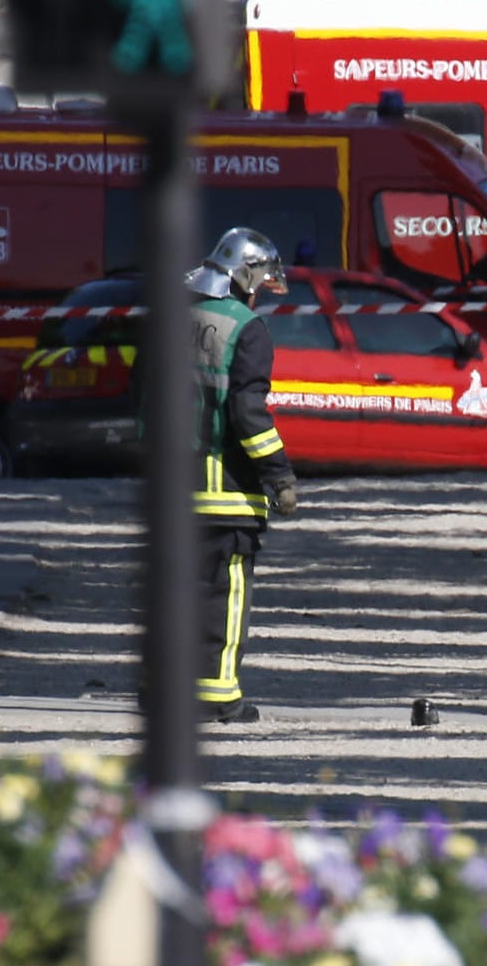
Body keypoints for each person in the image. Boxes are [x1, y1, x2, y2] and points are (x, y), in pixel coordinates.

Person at [184, 227, 299, 725]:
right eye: (260, 285)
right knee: (224, 598)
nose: (259, 296)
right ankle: (219, 695)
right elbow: (249, 414)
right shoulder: (246, 328)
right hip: (223, 493)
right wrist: (280, 478)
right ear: (245, 277)